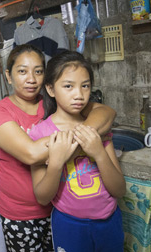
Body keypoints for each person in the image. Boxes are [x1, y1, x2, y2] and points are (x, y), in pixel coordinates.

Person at [0, 44, 116, 251]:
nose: (31, 79)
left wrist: (85, 136)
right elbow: (32, 153)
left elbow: (106, 112)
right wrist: (83, 138)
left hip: (60, 209)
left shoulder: (54, 102)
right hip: (21, 213)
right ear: (8, 76)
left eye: (38, 71)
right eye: (22, 71)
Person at [29, 50, 126, 252]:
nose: (79, 95)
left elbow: (119, 190)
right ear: (50, 89)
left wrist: (99, 153)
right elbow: (42, 197)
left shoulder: (96, 128)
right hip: (68, 224)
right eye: (68, 86)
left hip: (109, 221)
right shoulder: (41, 133)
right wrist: (55, 163)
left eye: (85, 86)